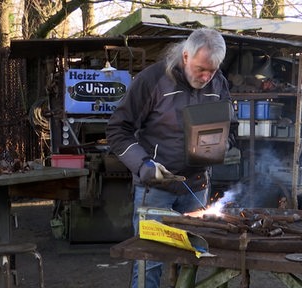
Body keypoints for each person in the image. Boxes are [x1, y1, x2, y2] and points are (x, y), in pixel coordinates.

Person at [106, 28, 237, 288]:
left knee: (194, 259)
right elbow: (117, 130)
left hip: (197, 187)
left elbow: (230, 128)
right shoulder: (152, 80)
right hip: (155, 190)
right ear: (186, 56)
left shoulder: (218, 82)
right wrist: (143, 165)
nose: (206, 77)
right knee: (150, 263)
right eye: (201, 69)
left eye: (212, 70)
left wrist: (221, 146)